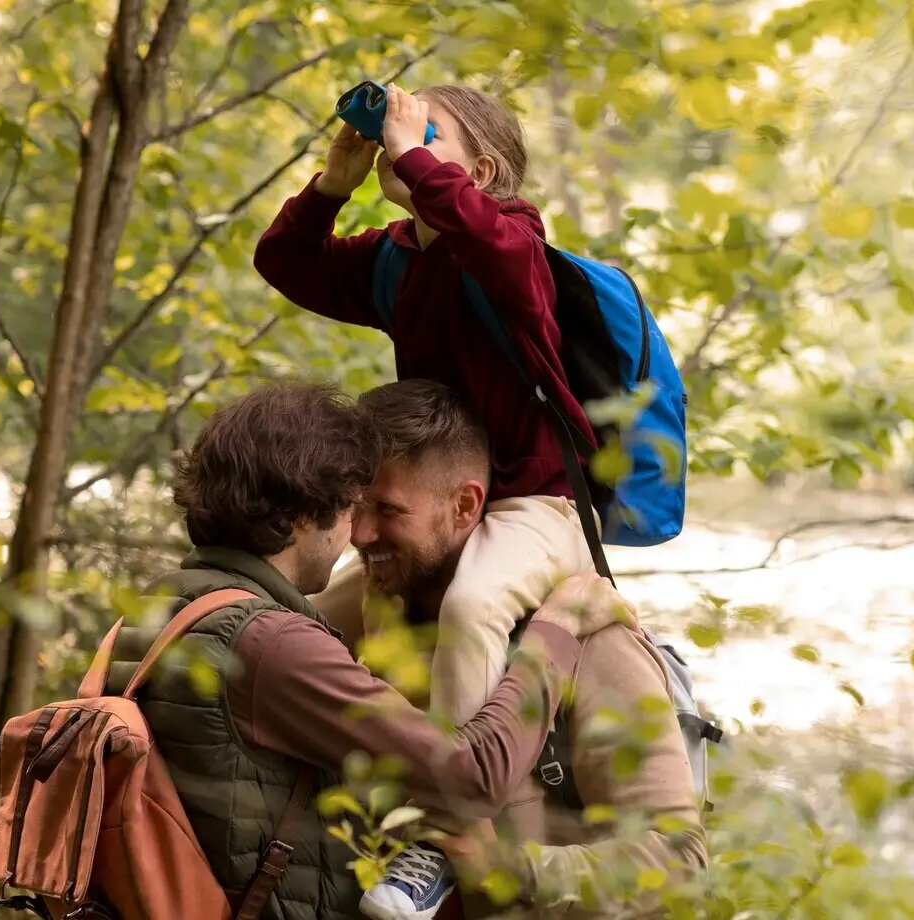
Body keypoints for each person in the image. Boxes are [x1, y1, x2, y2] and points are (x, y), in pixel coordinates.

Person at [255, 83, 604, 916]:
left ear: (479, 171)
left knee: (474, 604)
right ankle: (327, 805)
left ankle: (440, 840)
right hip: (430, 507)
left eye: (427, 132)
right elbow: (284, 263)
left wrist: (413, 156)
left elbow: (495, 247)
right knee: (310, 619)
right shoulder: (395, 258)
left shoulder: (513, 241)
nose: (400, 141)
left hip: (534, 505)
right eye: (398, 133)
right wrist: (333, 183)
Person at [103, 380, 632, 920]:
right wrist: (556, 632)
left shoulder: (165, 606)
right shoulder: (271, 643)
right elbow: (471, 780)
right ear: (306, 512)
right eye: (351, 505)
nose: (355, 535)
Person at [311, 380, 708, 920]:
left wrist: (511, 868)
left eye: (387, 509)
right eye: (355, 507)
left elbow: (679, 861)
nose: (360, 533)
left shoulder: (593, 642)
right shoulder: (369, 603)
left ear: (465, 504)